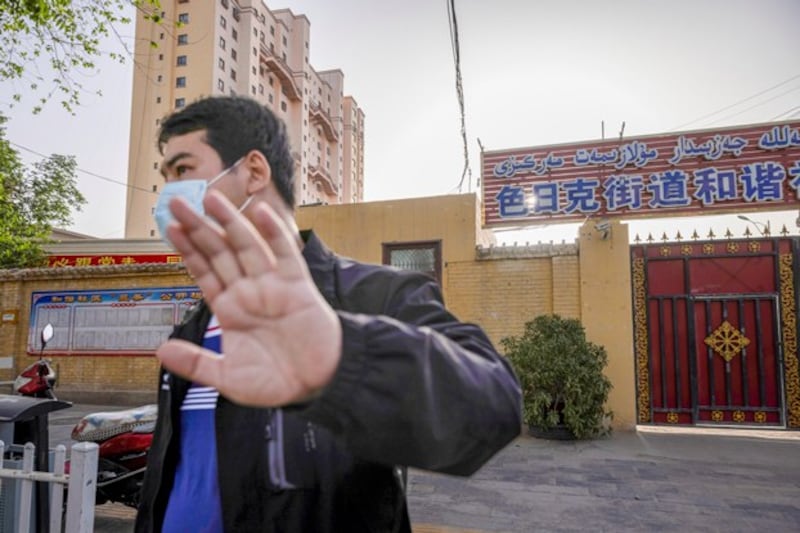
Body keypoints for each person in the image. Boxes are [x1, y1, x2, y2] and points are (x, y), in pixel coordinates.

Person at [135, 95, 522, 532]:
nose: (169, 195)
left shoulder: (375, 296)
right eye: (164, 178)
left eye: (182, 171)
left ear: (254, 171)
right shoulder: (192, 330)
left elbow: (491, 408)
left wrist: (344, 357)